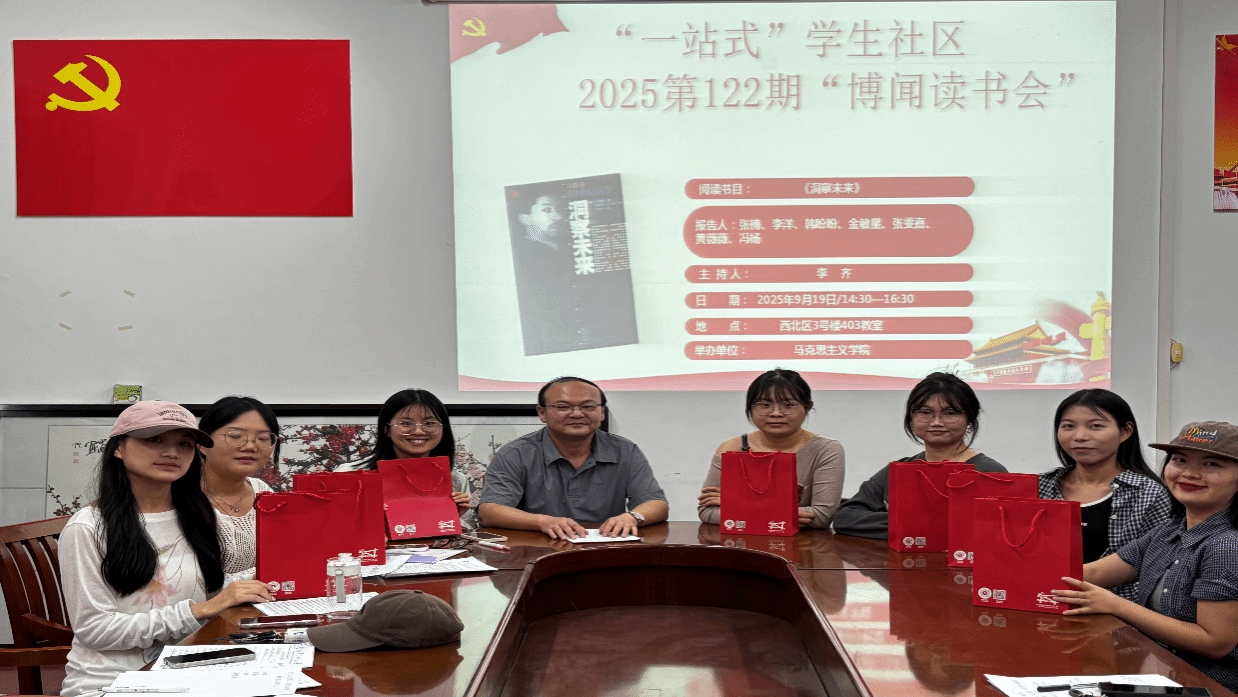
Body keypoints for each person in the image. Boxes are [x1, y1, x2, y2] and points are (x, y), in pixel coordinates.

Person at [60, 401, 272, 697]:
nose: (172, 452)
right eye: (154, 440)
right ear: (118, 447)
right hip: (114, 683)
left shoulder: (197, 515)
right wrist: (201, 610)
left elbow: (206, 591)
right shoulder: (88, 528)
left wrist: (263, 578)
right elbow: (95, 630)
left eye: (184, 444)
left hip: (190, 667)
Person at [1053, 421, 1238, 692]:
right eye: (1180, 460)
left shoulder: (1227, 545)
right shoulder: (1170, 530)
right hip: (1155, 675)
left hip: (1205, 686)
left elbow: (1214, 643)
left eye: (1211, 465)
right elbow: (1092, 573)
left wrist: (1116, 605)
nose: (1189, 473)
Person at [478, 376, 668, 539]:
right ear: (542, 413)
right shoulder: (515, 453)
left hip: (604, 548)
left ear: (602, 412)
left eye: (588, 406)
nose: (577, 414)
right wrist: (542, 522)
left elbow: (656, 503)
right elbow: (490, 511)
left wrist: (632, 517)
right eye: (563, 407)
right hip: (536, 549)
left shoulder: (625, 450)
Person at [832, 372, 1005, 538]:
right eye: (925, 412)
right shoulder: (900, 469)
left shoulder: (990, 473)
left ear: (970, 418)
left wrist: (908, 524)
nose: (936, 422)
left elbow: (998, 531)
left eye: (950, 413)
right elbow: (845, 518)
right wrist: (917, 524)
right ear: (911, 418)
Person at [1040, 389, 1171, 599]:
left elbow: (1156, 566)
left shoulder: (1148, 493)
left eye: (1096, 426)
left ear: (1125, 431)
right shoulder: (1040, 486)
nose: (1080, 436)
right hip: (1044, 601)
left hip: (1118, 611)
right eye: (1068, 426)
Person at [697, 369, 845, 529]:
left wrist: (739, 504)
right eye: (765, 405)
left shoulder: (826, 450)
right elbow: (707, 511)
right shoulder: (731, 448)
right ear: (750, 408)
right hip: (740, 540)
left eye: (788, 405)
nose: (776, 413)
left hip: (803, 542)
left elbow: (821, 516)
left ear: (807, 407)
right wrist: (783, 514)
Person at [339, 389, 472, 523]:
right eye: (406, 423)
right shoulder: (350, 475)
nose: (418, 431)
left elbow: (464, 530)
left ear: (443, 429)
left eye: (429, 423)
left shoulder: (456, 479)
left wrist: (455, 516)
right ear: (386, 429)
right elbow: (338, 525)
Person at [198, 396, 279, 578]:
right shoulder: (178, 498)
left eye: (263, 438)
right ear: (202, 443)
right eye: (235, 436)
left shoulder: (264, 492)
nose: (250, 446)